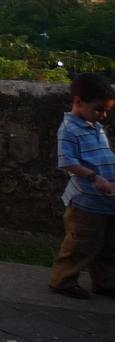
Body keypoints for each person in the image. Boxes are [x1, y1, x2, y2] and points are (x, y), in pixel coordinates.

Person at [48, 72, 115, 299]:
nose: (103, 115)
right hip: (86, 201)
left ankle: (105, 281)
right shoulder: (69, 129)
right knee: (80, 245)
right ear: (78, 101)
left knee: (107, 246)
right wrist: (94, 178)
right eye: (98, 109)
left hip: (106, 200)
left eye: (106, 110)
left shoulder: (94, 126)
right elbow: (67, 161)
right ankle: (63, 280)